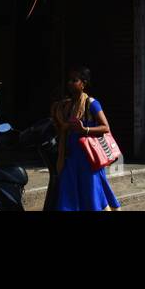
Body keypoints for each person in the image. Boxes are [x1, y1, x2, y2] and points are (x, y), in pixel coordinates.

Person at [49, 66, 120, 212]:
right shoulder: (67, 106)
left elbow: (105, 127)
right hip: (71, 159)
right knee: (69, 199)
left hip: (89, 161)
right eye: (69, 80)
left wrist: (85, 130)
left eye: (74, 80)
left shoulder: (91, 103)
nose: (70, 83)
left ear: (83, 83)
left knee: (92, 199)